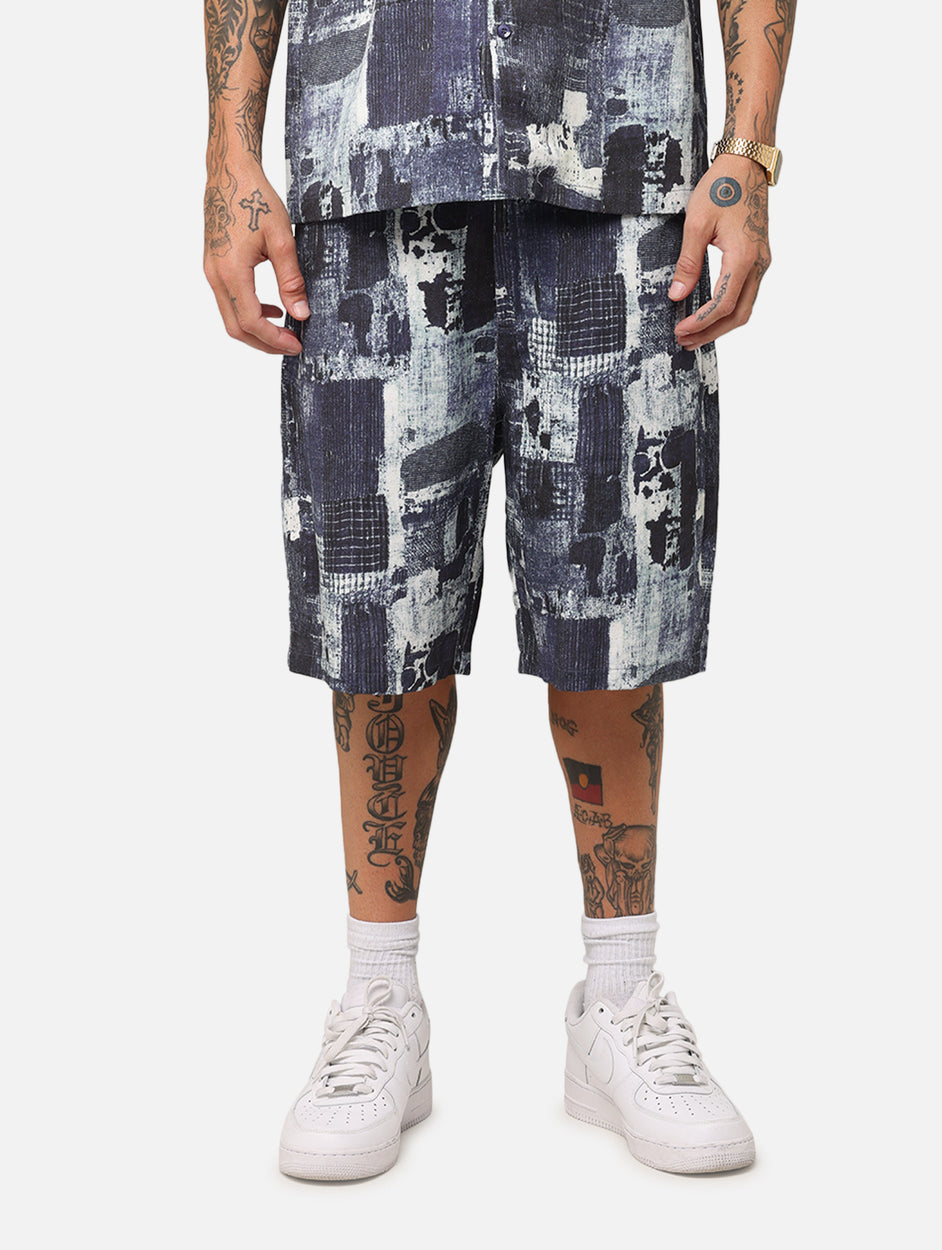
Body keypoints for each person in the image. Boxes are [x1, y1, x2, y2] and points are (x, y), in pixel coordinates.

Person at [203, 0, 795, 1179]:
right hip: (373, 147)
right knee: (374, 596)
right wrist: (228, 154)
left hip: (621, 149)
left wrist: (749, 150)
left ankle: (619, 995)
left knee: (617, 592)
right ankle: (380, 995)